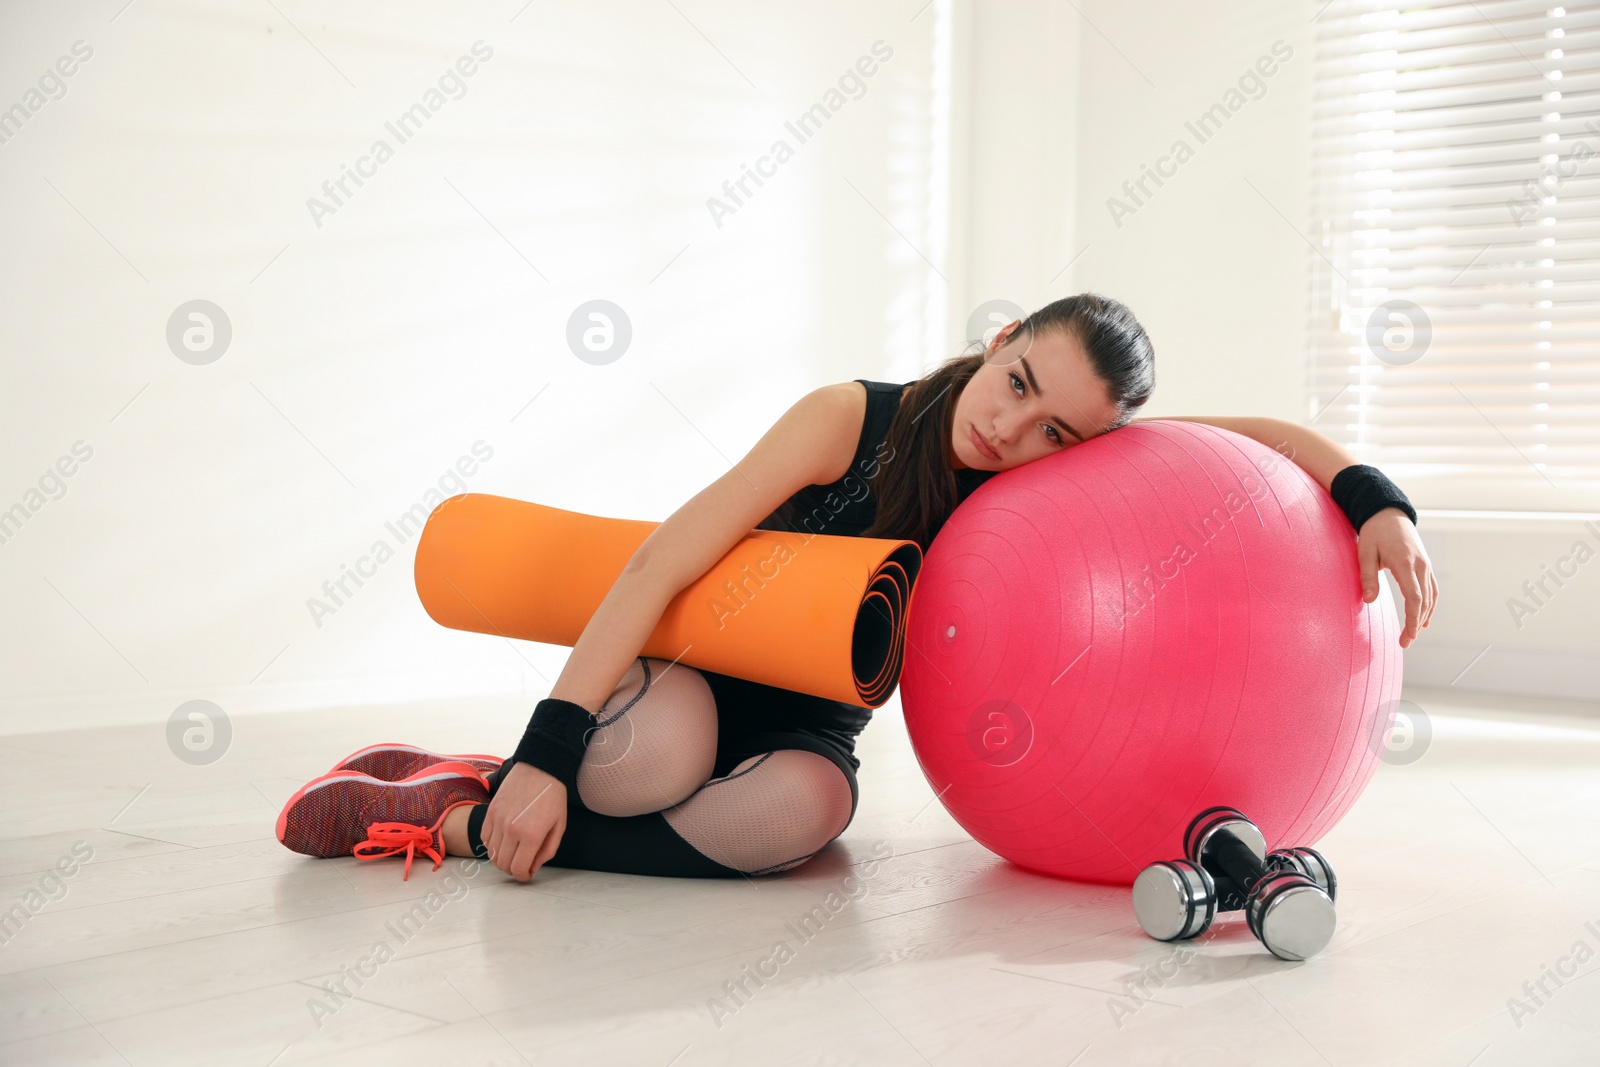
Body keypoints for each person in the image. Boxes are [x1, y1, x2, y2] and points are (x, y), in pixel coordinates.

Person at [275, 293, 1437, 883]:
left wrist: (1372, 498)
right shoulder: (851, 419)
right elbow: (663, 556)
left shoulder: (1049, 481)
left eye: (1052, 430)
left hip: (808, 722)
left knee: (805, 821)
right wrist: (548, 739)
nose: (1010, 427)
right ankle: (508, 774)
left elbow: (1260, 438)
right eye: (1018, 378)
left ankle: (474, 820)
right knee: (659, 763)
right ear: (999, 335)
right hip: (687, 670)